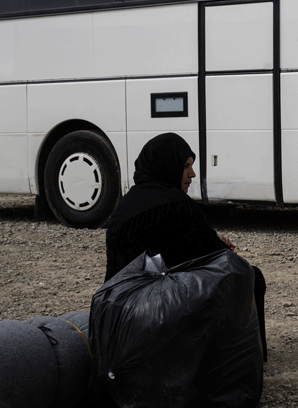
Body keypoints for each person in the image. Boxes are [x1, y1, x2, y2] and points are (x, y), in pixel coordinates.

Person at [104, 132, 267, 356]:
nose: (192, 174)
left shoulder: (125, 205)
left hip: (117, 310)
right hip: (158, 310)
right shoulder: (175, 205)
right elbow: (214, 257)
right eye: (186, 166)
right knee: (250, 276)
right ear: (168, 166)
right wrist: (224, 249)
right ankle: (243, 358)